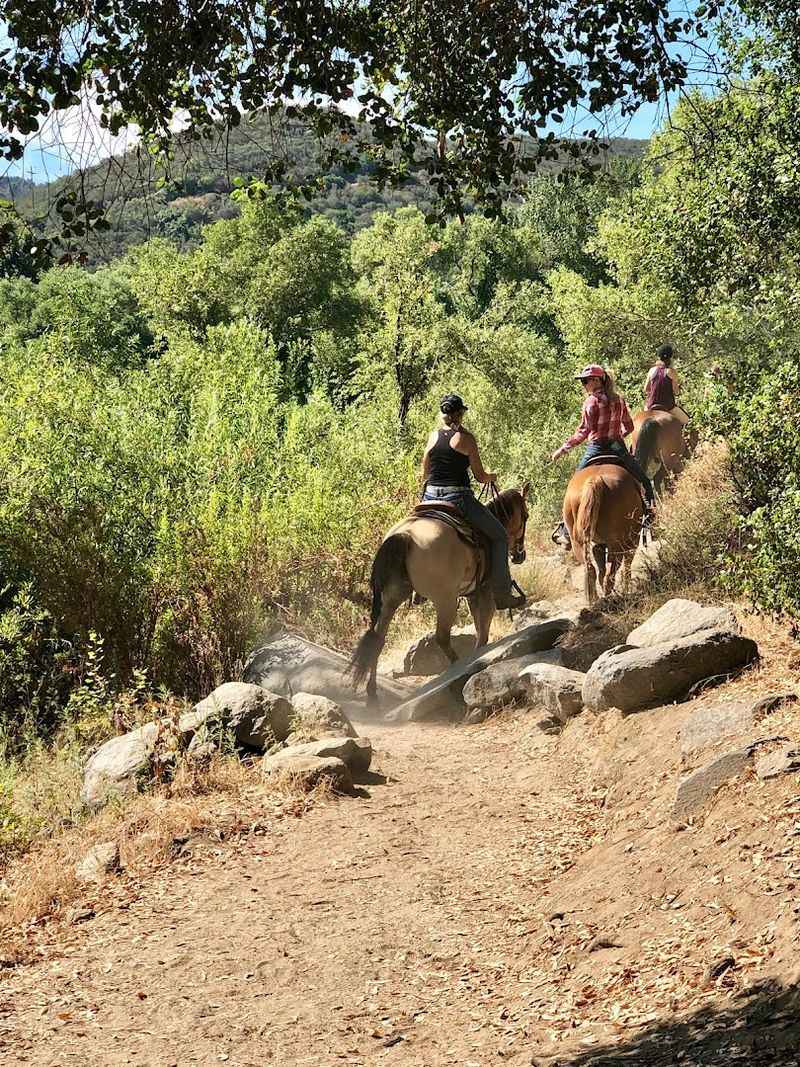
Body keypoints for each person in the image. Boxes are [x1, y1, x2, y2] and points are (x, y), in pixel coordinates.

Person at [421, 394, 526, 610]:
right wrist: (492, 477)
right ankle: (502, 593)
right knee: (498, 536)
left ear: (443, 415)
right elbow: (479, 476)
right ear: (460, 413)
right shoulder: (466, 438)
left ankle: (418, 588)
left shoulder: (432, 436)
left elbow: (425, 471)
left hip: (429, 496)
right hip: (457, 498)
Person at [551, 363, 655, 512]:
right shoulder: (619, 399)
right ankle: (649, 512)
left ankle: (565, 527)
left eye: (585, 381)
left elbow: (583, 431)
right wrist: (619, 435)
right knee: (643, 480)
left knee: (573, 485)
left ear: (596, 380)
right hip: (616, 446)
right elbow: (629, 427)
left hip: (596, 447)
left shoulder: (590, 402)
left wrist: (563, 449)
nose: (584, 385)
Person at [644, 343, 689, 426]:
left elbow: (646, 389)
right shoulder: (671, 371)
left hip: (651, 405)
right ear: (670, 357)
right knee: (687, 421)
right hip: (668, 406)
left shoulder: (652, 370)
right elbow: (676, 392)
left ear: (659, 357)